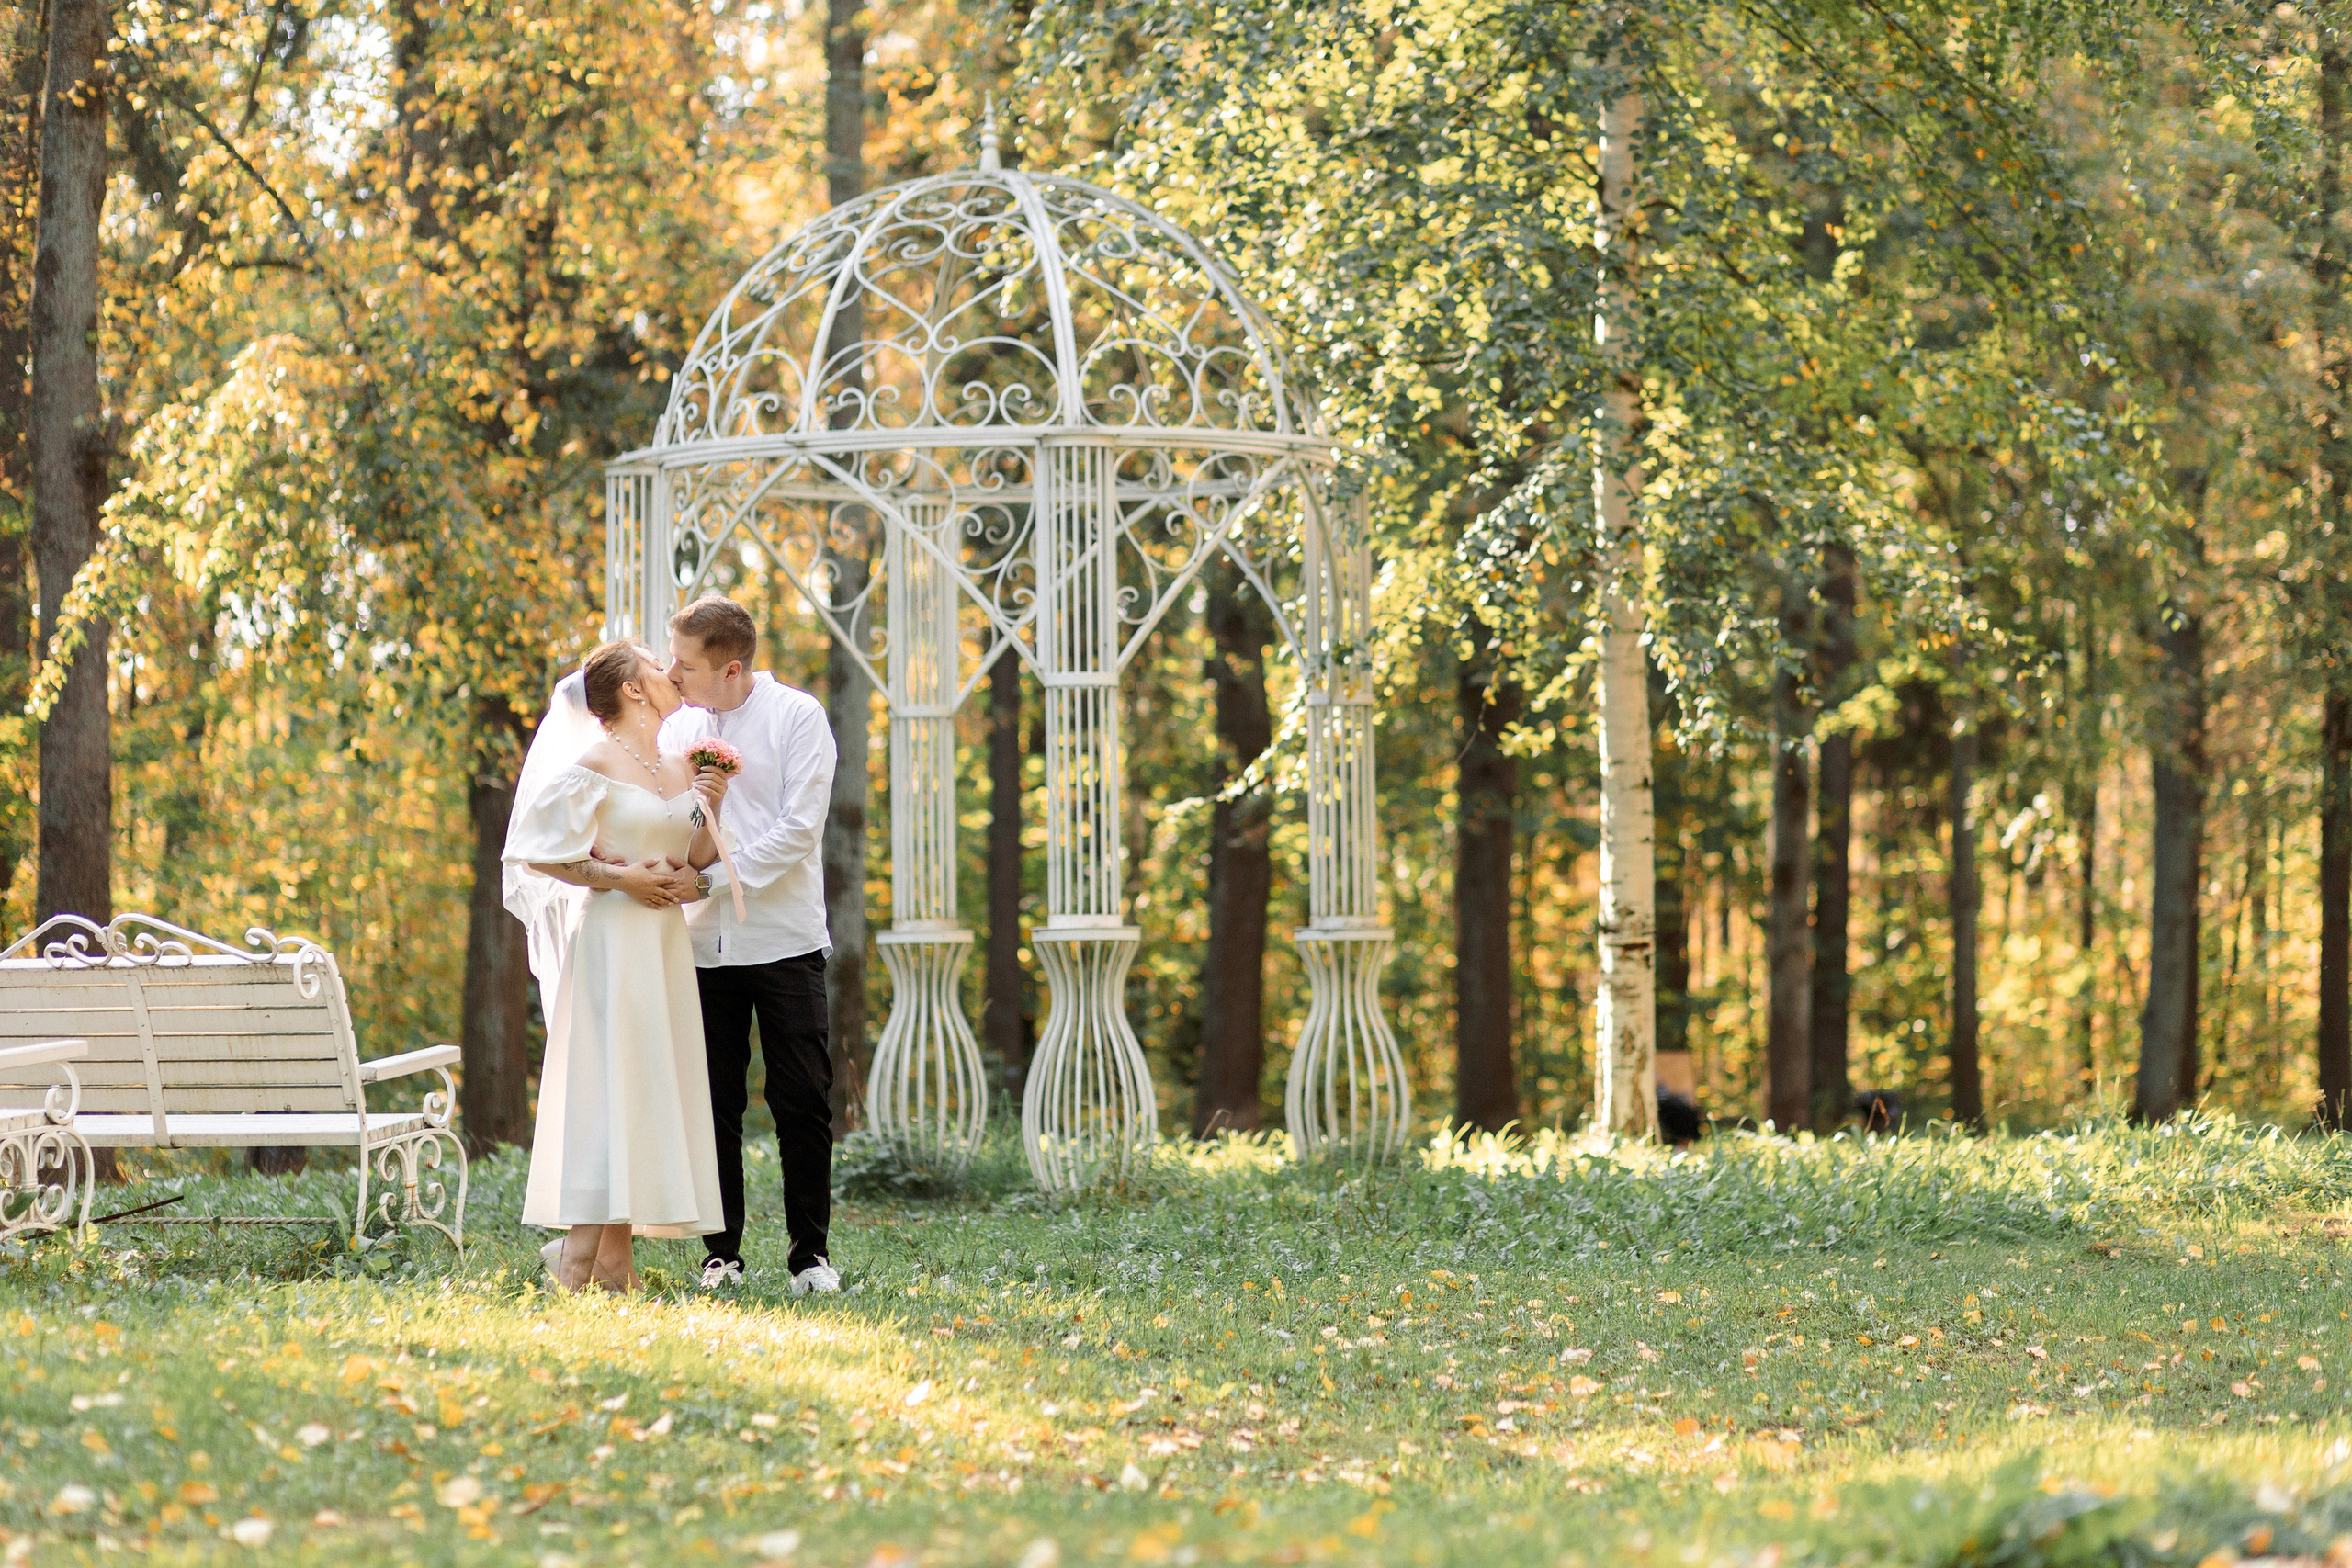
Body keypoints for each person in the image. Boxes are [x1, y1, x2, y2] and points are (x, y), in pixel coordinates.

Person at [502, 641, 729, 1292]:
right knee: (608, 1088)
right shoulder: (595, 763)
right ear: (632, 688)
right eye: (656, 665)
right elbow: (537, 851)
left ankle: (615, 1265)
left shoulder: (681, 766)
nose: (670, 672)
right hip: (610, 939)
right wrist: (619, 878)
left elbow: (699, 857)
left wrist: (713, 802)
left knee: (643, 1086)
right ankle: (576, 1262)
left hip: (663, 944)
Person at [660, 594, 842, 1295]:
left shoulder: (797, 716)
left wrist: (709, 879)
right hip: (702, 945)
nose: (673, 675)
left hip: (785, 936)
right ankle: (721, 1254)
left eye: (685, 664)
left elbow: (800, 829)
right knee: (714, 1103)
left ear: (731, 668)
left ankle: (810, 1256)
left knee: (803, 1099)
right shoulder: (679, 727)